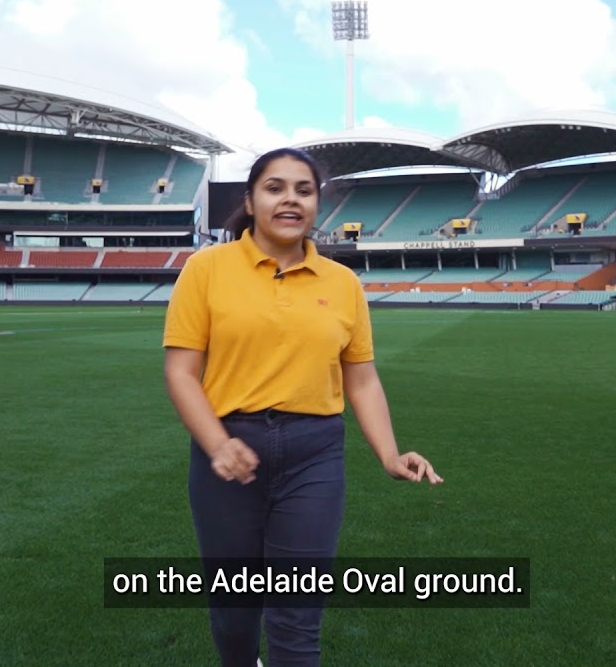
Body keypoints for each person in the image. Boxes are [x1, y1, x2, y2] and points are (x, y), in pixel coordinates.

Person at [162, 147, 442, 667]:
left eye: (303, 190)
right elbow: (181, 373)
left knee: (297, 612)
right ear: (249, 201)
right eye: (274, 188)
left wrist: (388, 454)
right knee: (234, 610)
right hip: (227, 452)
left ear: (317, 205)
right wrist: (218, 445)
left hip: (314, 456)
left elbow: (361, 379)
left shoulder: (343, 284)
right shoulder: (206, 269)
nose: (289, 199)